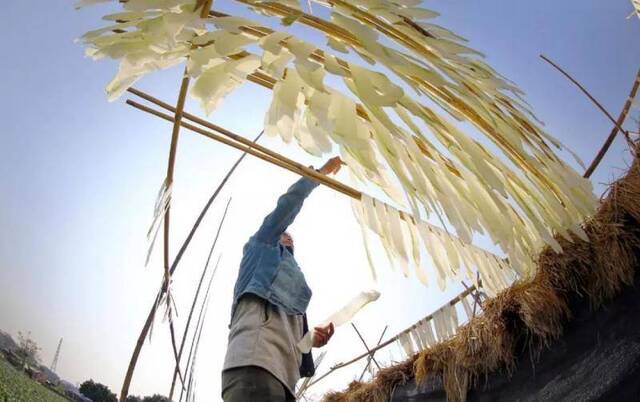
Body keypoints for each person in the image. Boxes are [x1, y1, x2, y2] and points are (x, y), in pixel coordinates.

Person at [221, 157, 343, 402]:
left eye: (292, 238)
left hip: (285, 379)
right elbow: (286, 207)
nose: (289, 238)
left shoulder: (293, 289)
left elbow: (293, 341)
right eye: (284, 234)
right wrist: (317, 176)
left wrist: (312, 341)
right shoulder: (262, 246)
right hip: (255, 364)